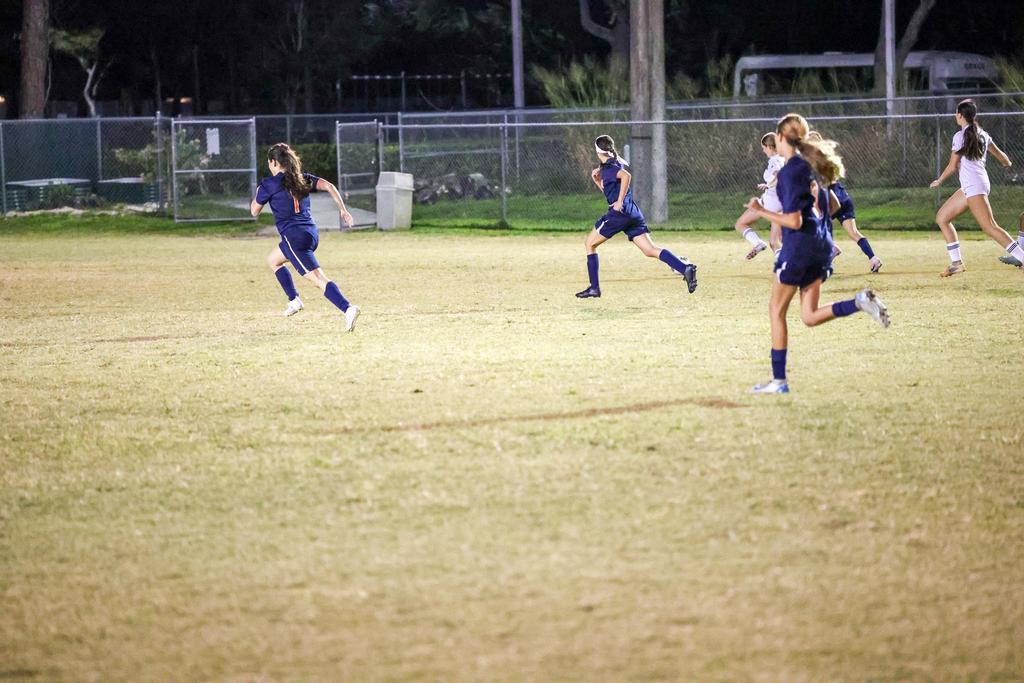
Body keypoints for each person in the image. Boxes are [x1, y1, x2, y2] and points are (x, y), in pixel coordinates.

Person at [744, 114, 890, 395]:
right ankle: (859, 302)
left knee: (776, 311)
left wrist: (761, 211)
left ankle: (778, 382)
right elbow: (833, 205)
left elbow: (794, 221)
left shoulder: (789, 171)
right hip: (821, 248)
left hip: (799, 249)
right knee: (809, 316)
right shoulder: (813, 165)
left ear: (781, 138)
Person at [251, 143, 361, 331]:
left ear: (274, 162)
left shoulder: (269, 184)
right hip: (310, 233)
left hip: (294, 238)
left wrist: (259, 192)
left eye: (269, 163)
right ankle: (294, 300)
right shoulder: (302, 177)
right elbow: (329, 186)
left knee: (318, 279)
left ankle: (347, 308)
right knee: (274, 260)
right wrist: (343, 210)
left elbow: (254, 211)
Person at [576, 135, 698, 298]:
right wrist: (597, 181)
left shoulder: (610, 168)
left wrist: (620, 201)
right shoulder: (612, 165)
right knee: (650, 250)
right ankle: (685, 268)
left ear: (597, 151)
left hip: (619, 215)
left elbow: (626, 176)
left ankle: (594, 288)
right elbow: (611, 194)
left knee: (589, 244)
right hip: (632, 213)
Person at [929, 99, 1024, 276]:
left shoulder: (960, 136)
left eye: (956, 113)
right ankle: (956, 263)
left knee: (990, 227)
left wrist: (939, 180)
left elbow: (952, 165)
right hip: (973, 185)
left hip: (974, 185)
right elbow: (1002, 157)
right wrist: (1007, 162)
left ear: (960, 115)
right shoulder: (983, 134)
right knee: (942, 217)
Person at [805, 130, 882, 273]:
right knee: (853, 233)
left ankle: (828, 254)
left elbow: (822, 182)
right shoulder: (827, 158)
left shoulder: (816, 161)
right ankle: (873, 259)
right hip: (844, 198)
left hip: (832, 200)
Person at [733, 132, 784, 259]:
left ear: (770, 147)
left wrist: (768, 185)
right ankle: (786, 264)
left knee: (740, 224)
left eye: (764, 147)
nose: (763, 150)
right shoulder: (783, 158)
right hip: (780, 203)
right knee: (775, 242)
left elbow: (779, 175)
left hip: (770, 204)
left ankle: (759, 243)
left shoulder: (775, 160)